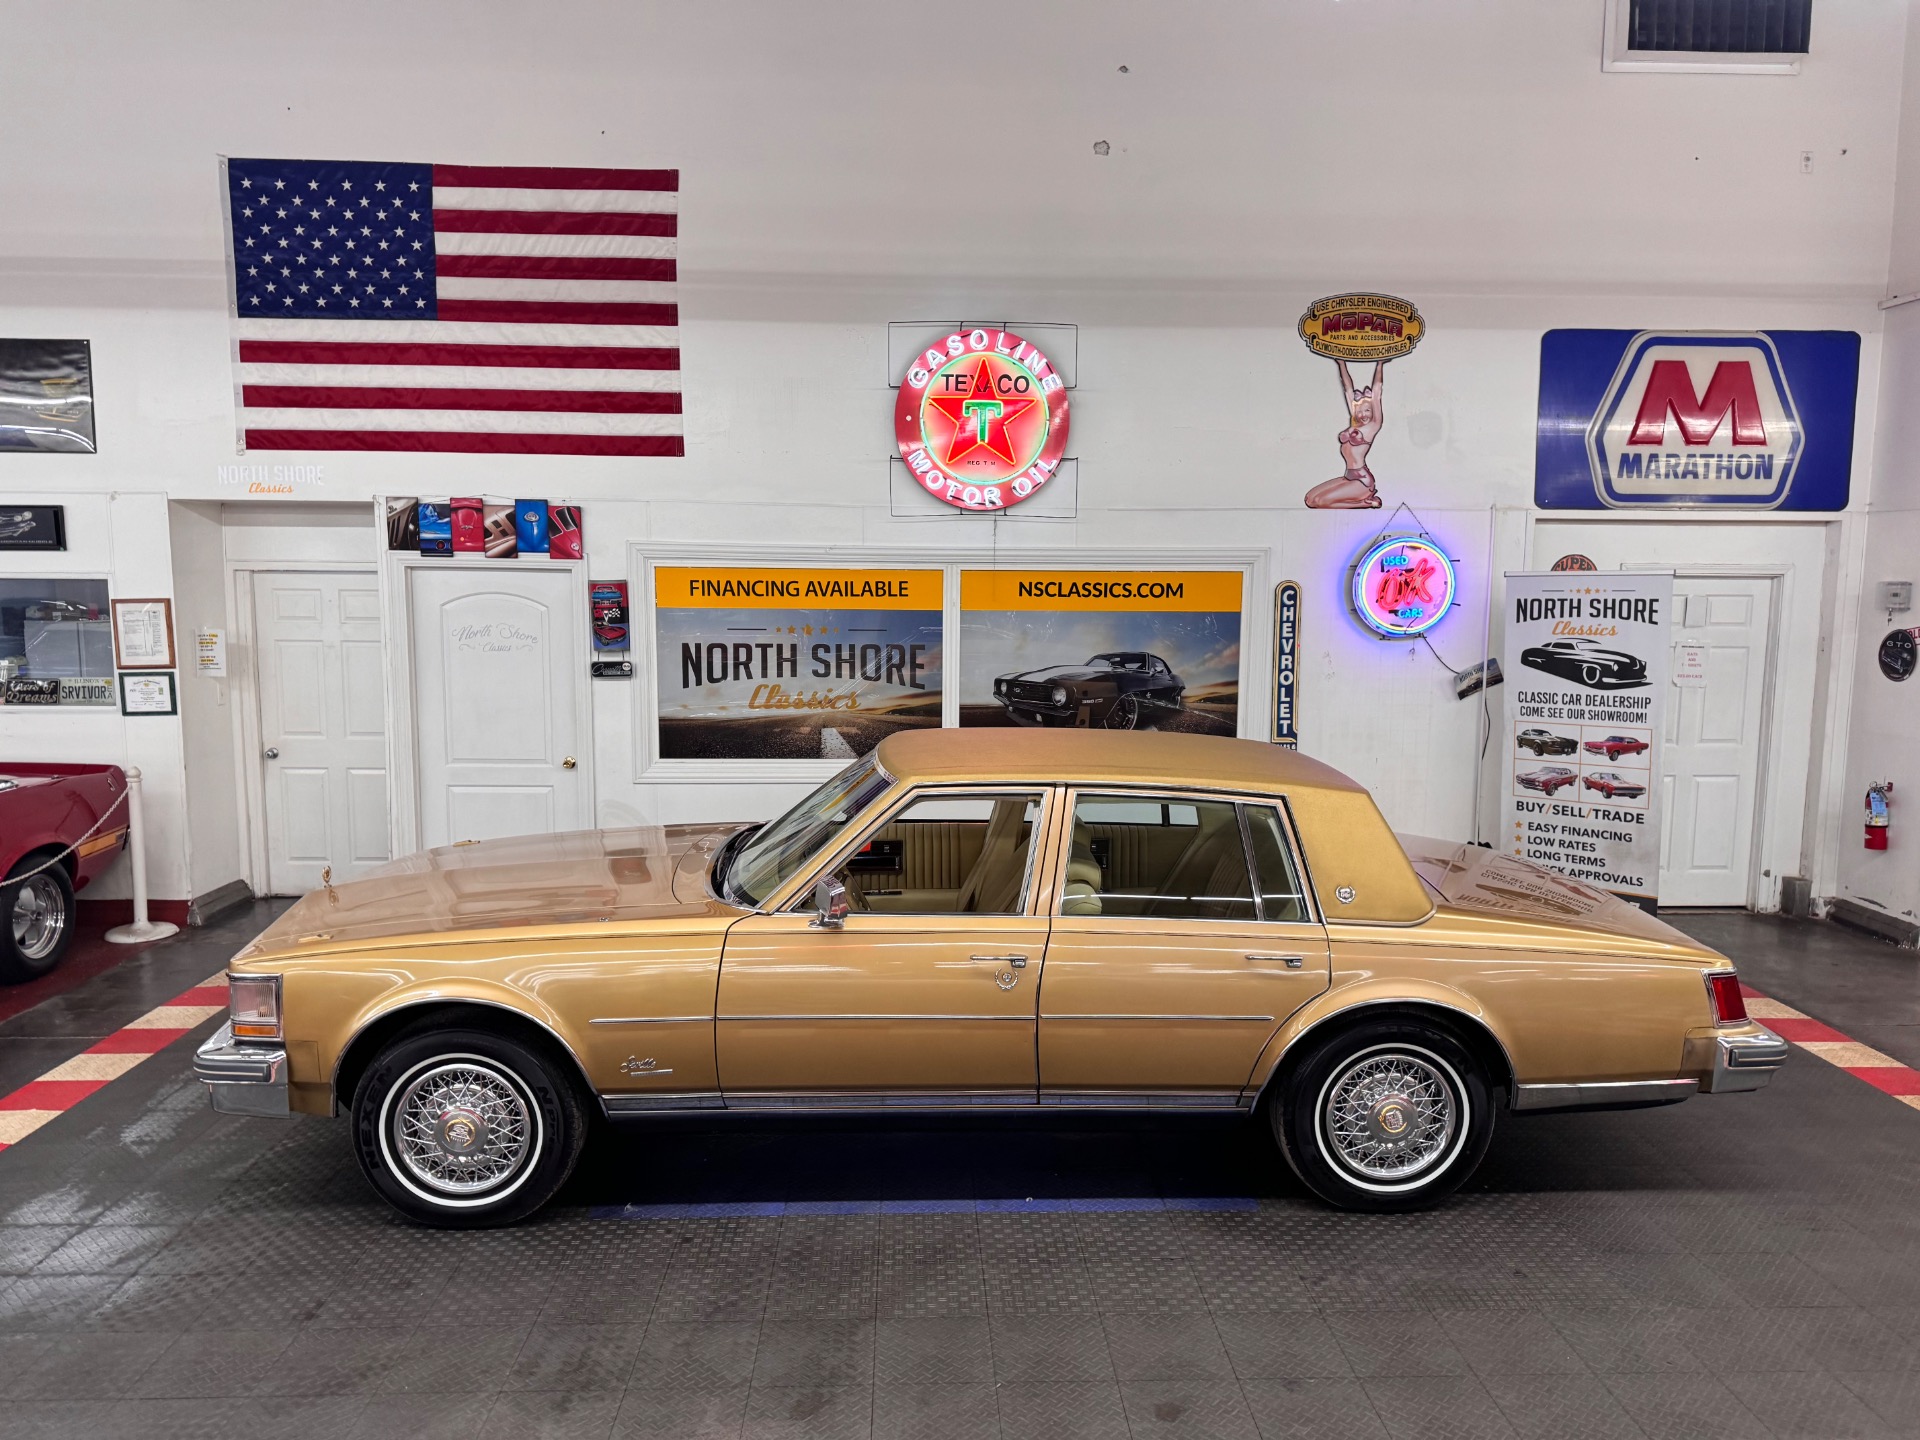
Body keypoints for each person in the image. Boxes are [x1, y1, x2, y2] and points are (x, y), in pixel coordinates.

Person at [1305, 359, 1385, 509]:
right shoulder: (1354, 424)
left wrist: (1379, 365)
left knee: (1321, 502)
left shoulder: (1373, 426)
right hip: (1349, 477)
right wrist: (1341, 364)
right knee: (1310, 499)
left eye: (1367, 410)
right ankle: (1361, 500)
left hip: (1362, 482)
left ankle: (1365, 503)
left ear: (1373, 411)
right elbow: (1348, 389)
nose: (1363, 414)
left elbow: (1377, 391)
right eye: (1360, 411)